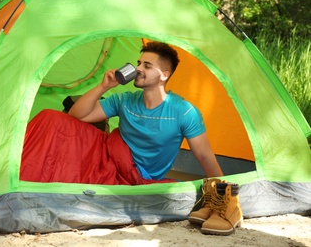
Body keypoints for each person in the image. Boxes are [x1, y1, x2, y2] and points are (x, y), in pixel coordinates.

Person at [68, 41, 223, 180]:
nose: (138, 69)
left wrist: (224, 193)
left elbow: (204, 156)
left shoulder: (185, 112)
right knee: (53, 119)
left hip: (141, 179)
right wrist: (103, 87)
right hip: (108, 166)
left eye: (147, 66)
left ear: (164, 75)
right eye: (139, 63)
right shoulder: (123, 100)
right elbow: (77, 115)